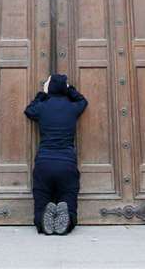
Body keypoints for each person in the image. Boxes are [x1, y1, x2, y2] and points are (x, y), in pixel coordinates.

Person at [24, 73, 87, 235]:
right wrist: (69, 90)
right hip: (67, 163)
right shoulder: (72, 108)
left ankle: (42, 219)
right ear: (63, 89)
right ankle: (67, 220)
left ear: (49, 88)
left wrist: (42, 94)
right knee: (69, 196)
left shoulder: (42, 107)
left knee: (41, 199)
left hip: (44, 162)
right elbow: (83, 101)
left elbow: (29, 110)